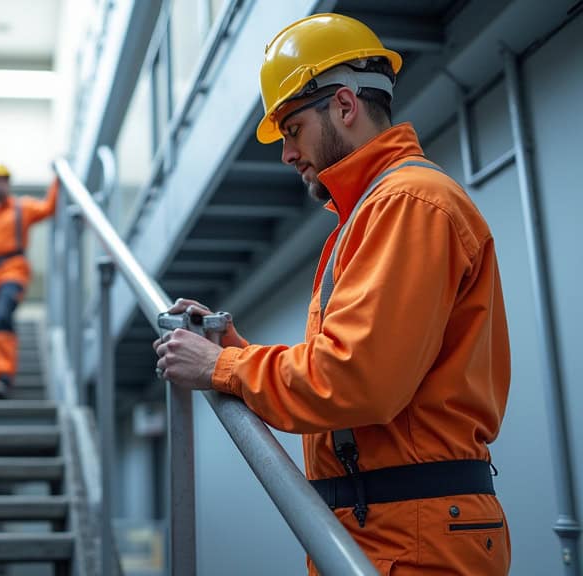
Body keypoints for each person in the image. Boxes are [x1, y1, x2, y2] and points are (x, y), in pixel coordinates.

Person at [153, 13, 511, 575]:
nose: (287, 154)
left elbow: (353, 380)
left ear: (344, 106)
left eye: (291, 128)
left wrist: (222, 367)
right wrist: (231, 347)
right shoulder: (374, 211)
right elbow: (347, 373)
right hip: (388, 528)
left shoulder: (405, 203)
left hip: (415, 538)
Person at [0, 163, 58, 399]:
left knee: (2, 316)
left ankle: (4, 376)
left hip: (13, 269)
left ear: (8, 183)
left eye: (3, 179)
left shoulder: (21, 208)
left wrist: (57, 179)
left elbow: (48, 208)